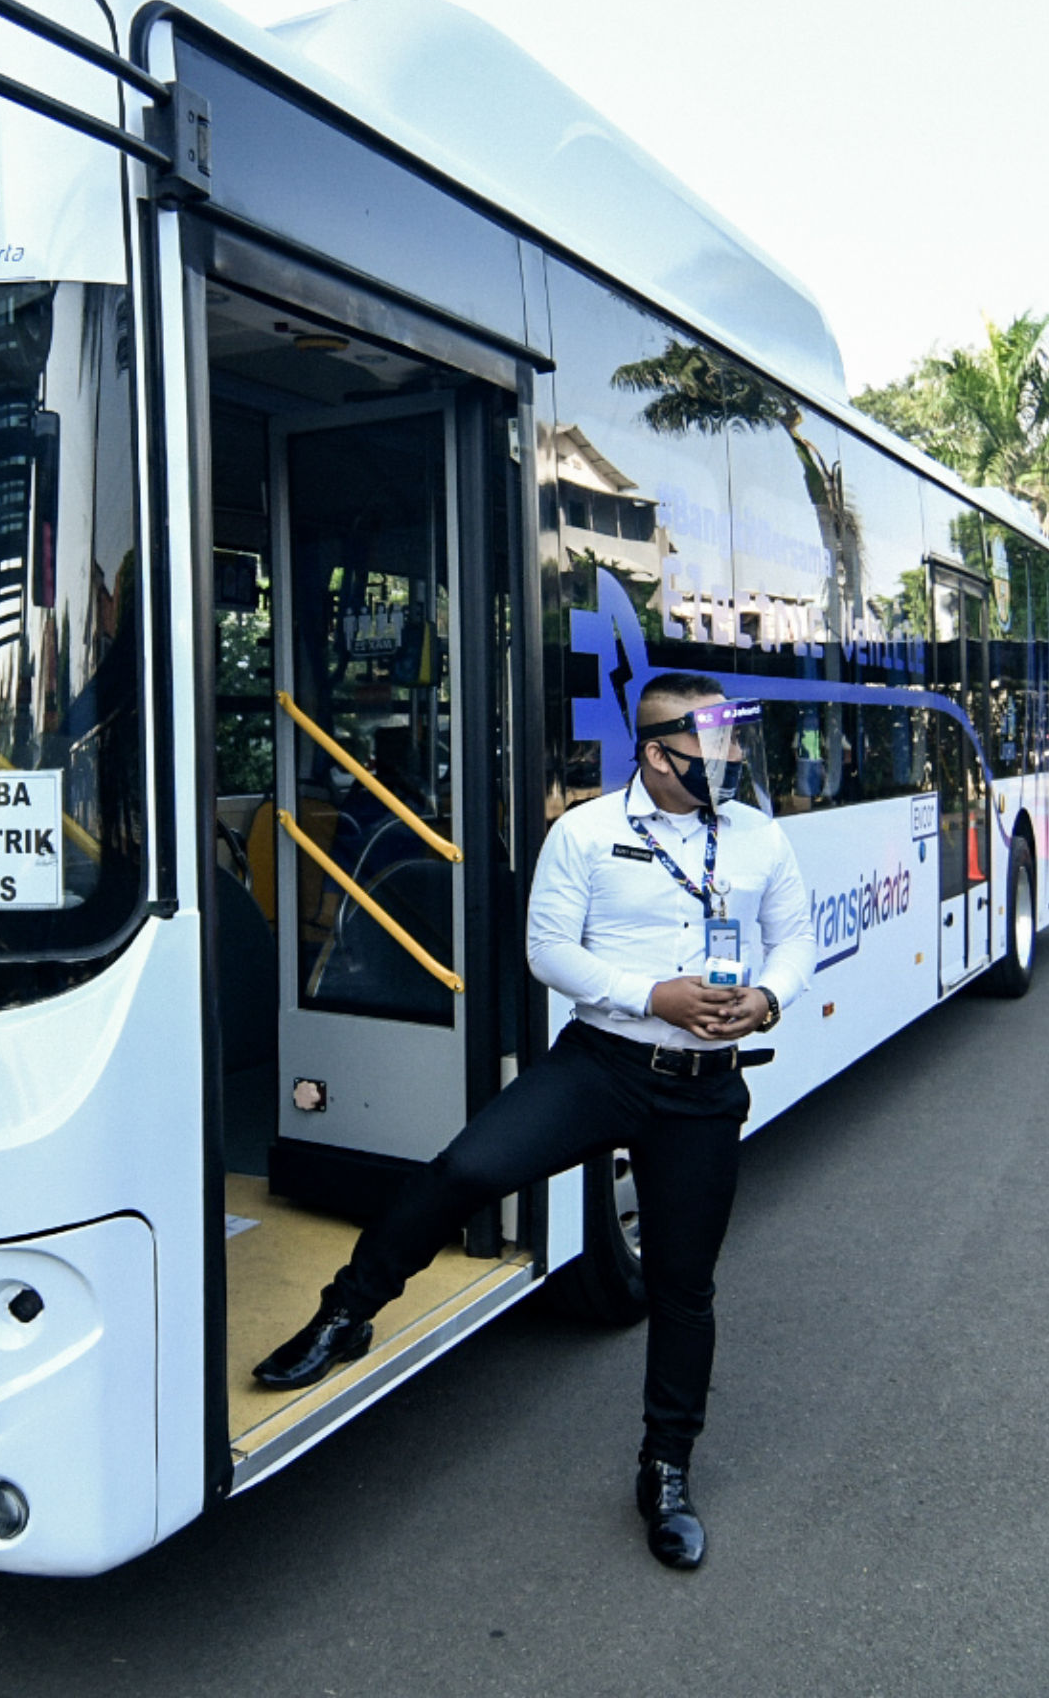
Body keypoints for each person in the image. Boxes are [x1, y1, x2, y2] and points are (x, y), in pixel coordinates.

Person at [250, 672, 815, 1570]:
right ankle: (344, 1314)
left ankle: (666, 1470)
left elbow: (795, 938)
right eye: (713, 743)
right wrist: (653, 996)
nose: (732, 757)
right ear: (656, 754)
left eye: (733, 740)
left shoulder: (757, 836)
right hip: (602, 1065)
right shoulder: (584, 832)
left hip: (701, 1089)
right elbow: (547, 951)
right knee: (466, 1171)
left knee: (683, 1287)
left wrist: (769, 999)